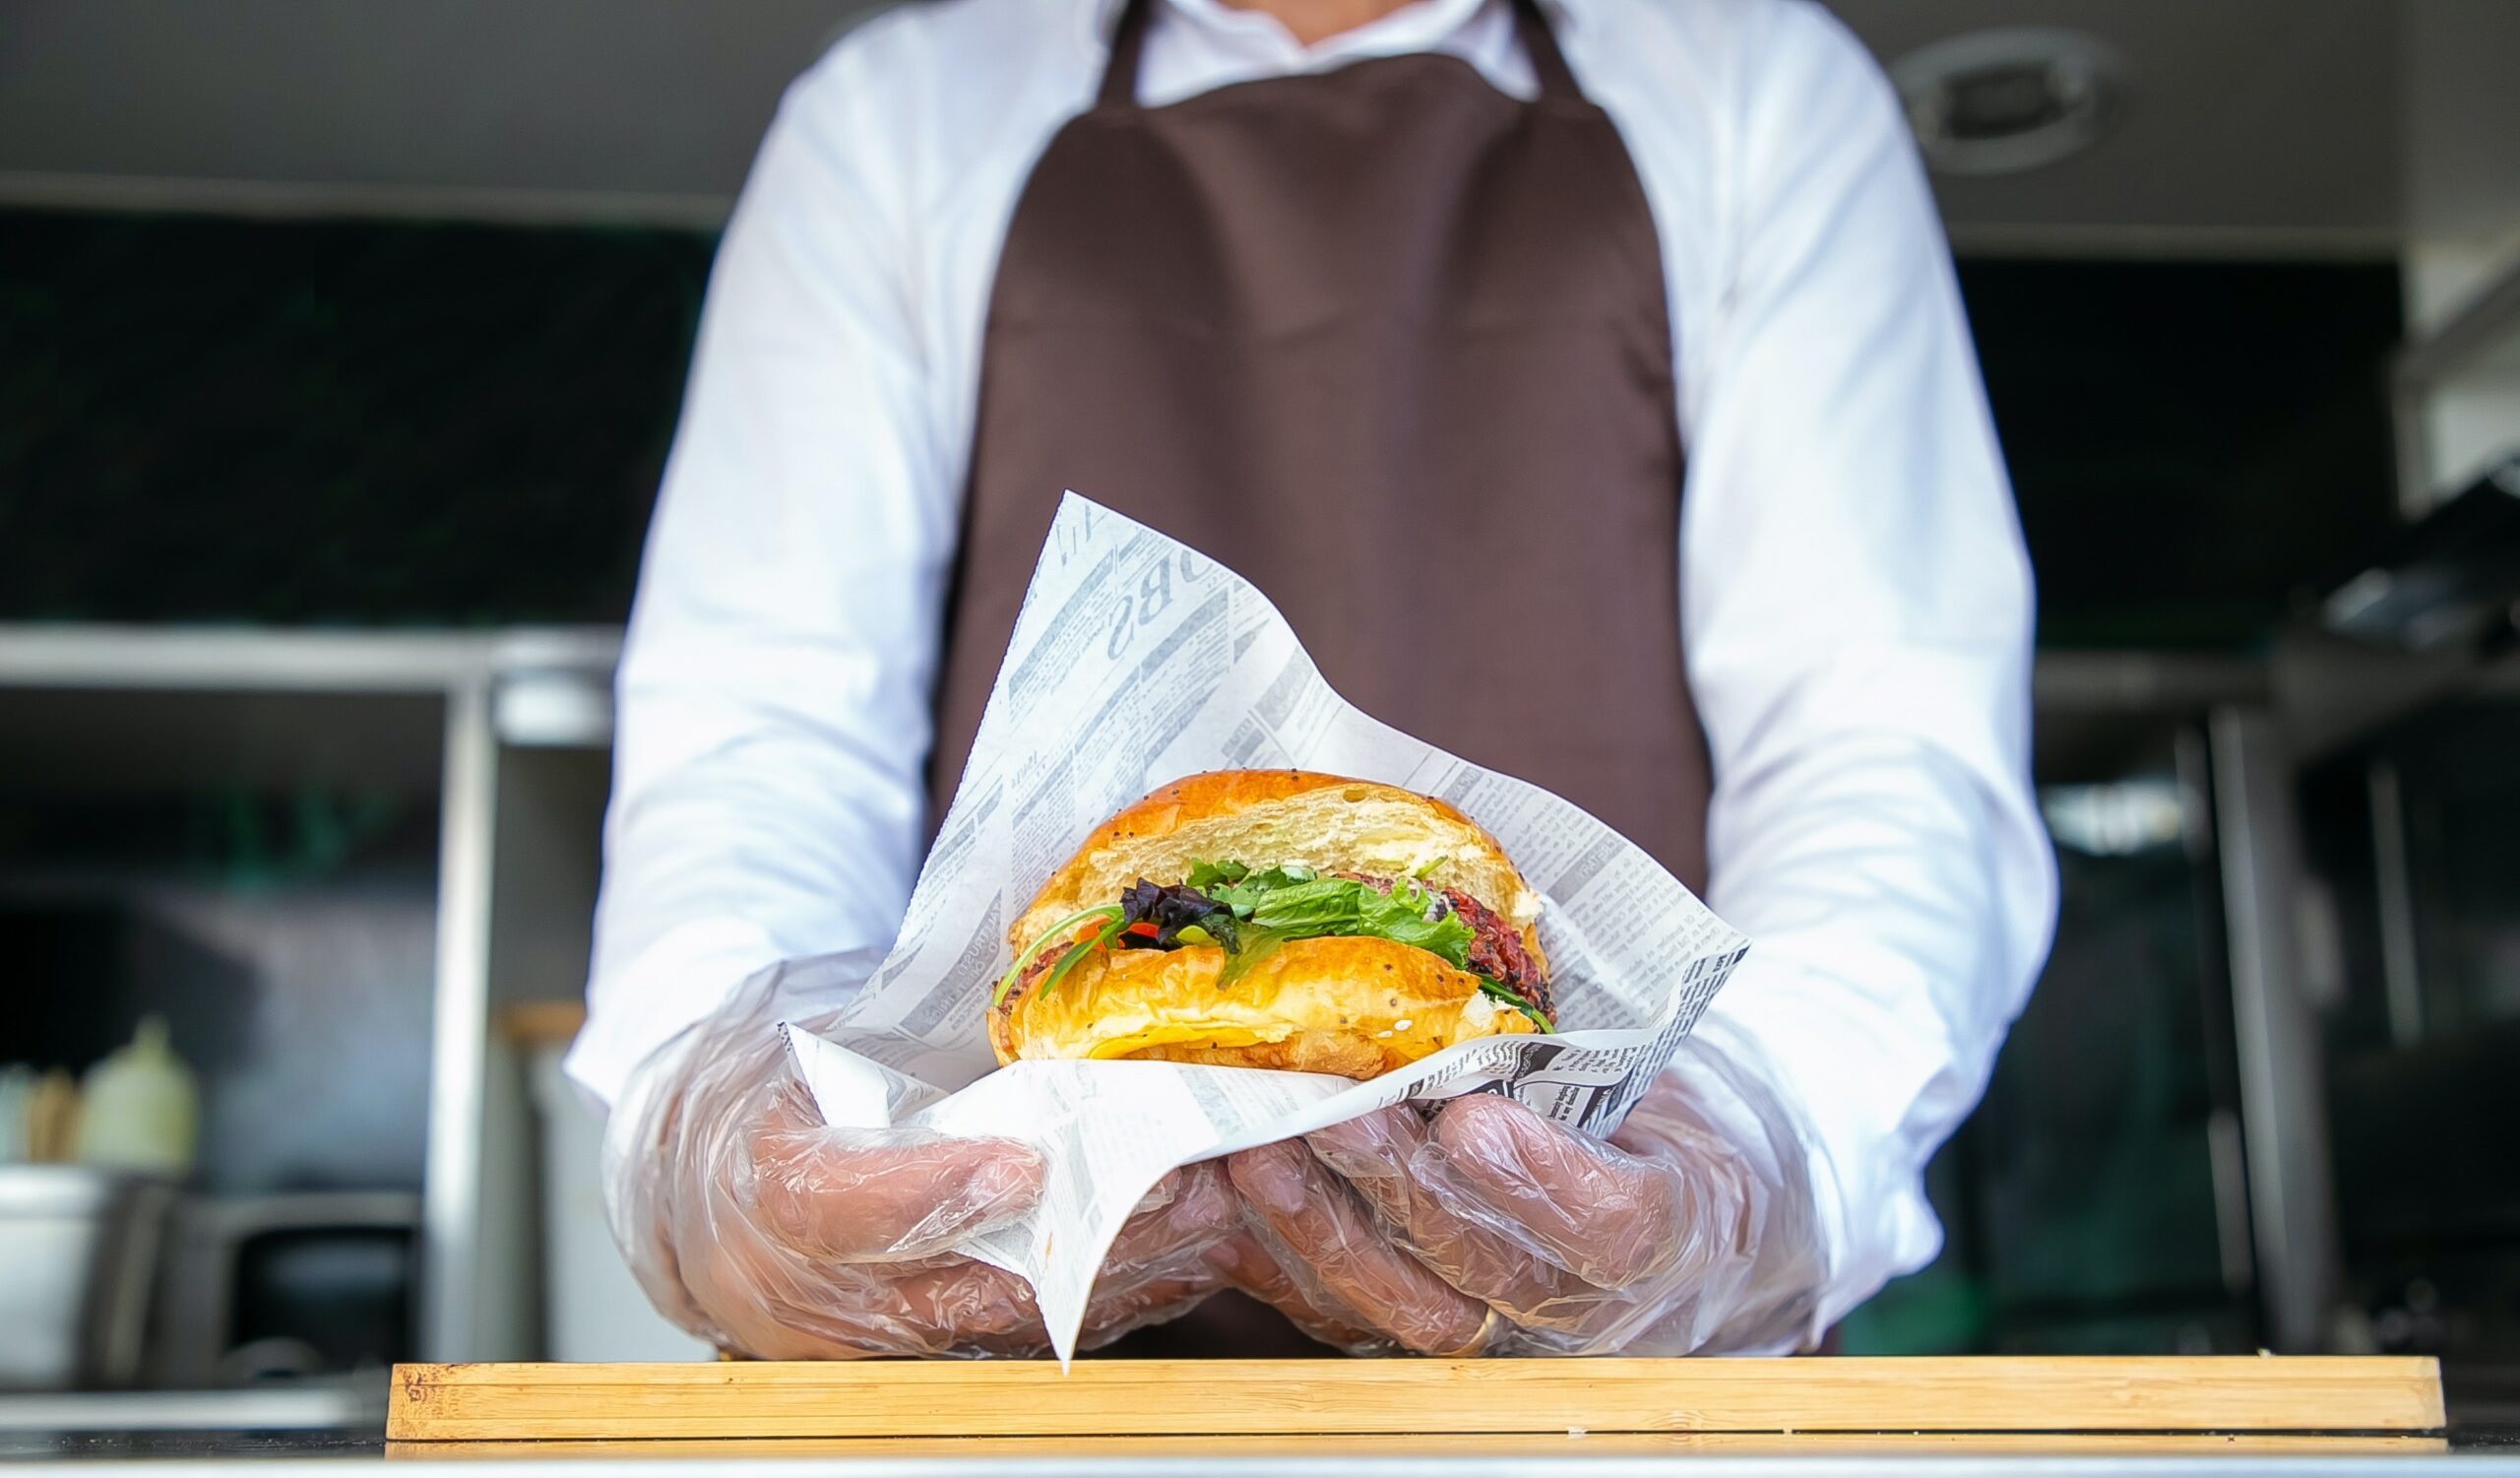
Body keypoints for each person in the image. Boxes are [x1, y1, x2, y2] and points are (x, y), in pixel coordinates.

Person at [570, 0, 2055, 1359]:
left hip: (1613, 1402)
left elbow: (1884, 740)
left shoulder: (1749, 87)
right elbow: (763, 734)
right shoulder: (904, 114)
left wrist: (1754, 1159)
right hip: (1010, 1370)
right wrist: (714, 1123)